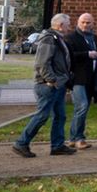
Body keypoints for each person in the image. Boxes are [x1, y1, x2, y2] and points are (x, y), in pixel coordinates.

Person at [12, 13, 76, 157]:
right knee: (42, 115)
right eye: (68, 24)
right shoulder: (49, 39)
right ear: (60, 25)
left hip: (57, 84)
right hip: (47, 85)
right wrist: (51, 80)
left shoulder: (57, 38)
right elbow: (42, 63)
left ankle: (57, 146)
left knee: (60, 116)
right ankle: (21, 143)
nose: (69, 27)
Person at [65, 13, 97, 149]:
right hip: (77, 78)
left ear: (93, 23)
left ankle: (74, 138)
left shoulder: (94, 38)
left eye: (88, 22)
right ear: (78, 23)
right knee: (82, 106)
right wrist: (87, 54)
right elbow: (69, 56)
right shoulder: (71, 37)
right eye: (83, 22)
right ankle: (78, 138)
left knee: (81, 109)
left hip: (91, 77)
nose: (85, 25)